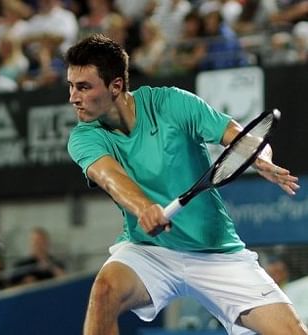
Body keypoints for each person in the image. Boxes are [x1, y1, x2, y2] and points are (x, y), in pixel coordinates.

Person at [65, 33, 307, 335]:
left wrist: (260, 159)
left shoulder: (171, 103)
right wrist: (144, 208)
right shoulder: (83, 136)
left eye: (84, 87)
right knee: (104, 291)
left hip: (218, 255)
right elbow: (110, 177)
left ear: (116, 86)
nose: (73, 97)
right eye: (71, 86)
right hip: (149, 251)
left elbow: (241, 137)